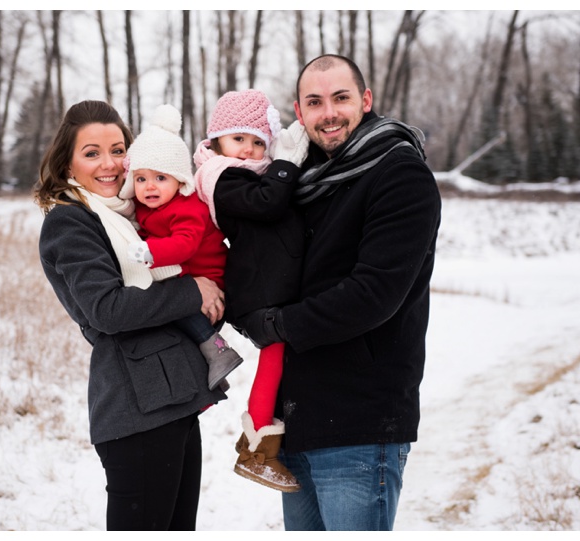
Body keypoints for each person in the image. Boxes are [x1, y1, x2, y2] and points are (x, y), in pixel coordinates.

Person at [239, 54, 442, 530]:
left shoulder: (399, 174)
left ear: (365, 100)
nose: (328, 112)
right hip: (299, 419)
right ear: (300, 111)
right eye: (315, 102)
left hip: (361, 420)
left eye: (340, 98)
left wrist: (276, 324)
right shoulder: (302, 179)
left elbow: (373, 294)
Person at [34, 100, 228, 531]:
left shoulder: (137, 215)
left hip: (173, 400)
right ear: (68, 163)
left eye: (118, 149)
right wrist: (191, 290)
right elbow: (108, 310)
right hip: (134, 409)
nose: (110, 164)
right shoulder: (71, 222)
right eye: (92, 152)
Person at [192, 89, 309, 492]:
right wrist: (284, 165)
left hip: (270, 284)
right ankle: (257, 447)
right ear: (218, 139)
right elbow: (267, 205)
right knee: (274, 358)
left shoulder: (246, 172)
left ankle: (264, 439)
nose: (247, 149)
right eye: (239, 138)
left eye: (258, 141)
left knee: (281, 360)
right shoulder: (221, 176)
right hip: (258, 289)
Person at [118, 103, 243, 391]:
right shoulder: (149, 204)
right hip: (183, 274)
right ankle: (207, 371)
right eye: (141, 178)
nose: (150, 186)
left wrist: (150, 252)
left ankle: (218, 350)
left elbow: (185, 245)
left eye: (160, 178)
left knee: (181, 310)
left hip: (207, 275)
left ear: (179, 180)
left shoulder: (188, 207)